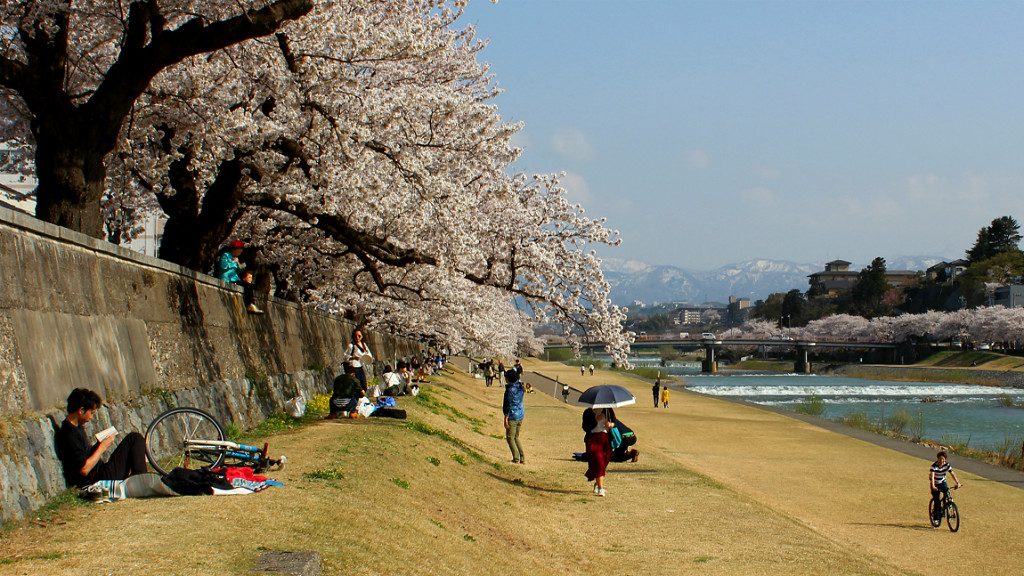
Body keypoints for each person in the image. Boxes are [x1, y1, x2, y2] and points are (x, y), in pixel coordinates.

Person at [55, 388, 148, 488]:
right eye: (91, 413)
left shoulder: (77, 427)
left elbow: (86, 455)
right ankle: (140, 481)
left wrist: (98, 444)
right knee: (134, 438)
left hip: (101, 472)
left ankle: (139, 479)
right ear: (81, 410)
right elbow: (84, 470)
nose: (91, 417)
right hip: (97, 479)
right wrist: (102, 447)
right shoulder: (70, 434)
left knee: (134, 438)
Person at [215, 240, 263, 314]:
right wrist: (234, 262)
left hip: (234, 278)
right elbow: (223, 266)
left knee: (248, 285)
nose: (241, 252)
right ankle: (249, 305)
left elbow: (237, 271)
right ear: (234, 249)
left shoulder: (236, 258)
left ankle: (251, 304)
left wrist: (239, 265)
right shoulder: (226, 255)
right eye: (240, 250)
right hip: (227, 279)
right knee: (247, 286)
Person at [582, 407, 614, 496]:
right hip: (593, 439)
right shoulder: (588, 412)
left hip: (605, 439)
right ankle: (600, 488)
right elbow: (585, 427)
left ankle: (597, 482)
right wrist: (595, 420)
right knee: (598, 461)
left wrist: (611, 424)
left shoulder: (607, 409)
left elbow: (614, 421)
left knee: (603, 463)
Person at [930, 451, 961, 525]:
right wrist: (933, 486)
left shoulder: (947, 465)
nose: (942, 461)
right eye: (940, 459)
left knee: (947, 493)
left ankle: (948, 506)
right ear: (938, 459)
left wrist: (958, 482)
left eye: (943, 459)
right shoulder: (934, 466)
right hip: (935, 483)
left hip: (943, 482)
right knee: (937, 501)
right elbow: (932, 476)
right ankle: (936, 518)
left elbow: (952, 474)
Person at [502, 369, 526, 464]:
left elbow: (507, 405)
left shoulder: (510, 390)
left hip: (513, 415)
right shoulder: (520, 386)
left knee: (510, 437)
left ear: (508, 379)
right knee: (516, 437)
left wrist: (505, 417)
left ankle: (516, 458)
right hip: (520, 414)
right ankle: (522, 458)